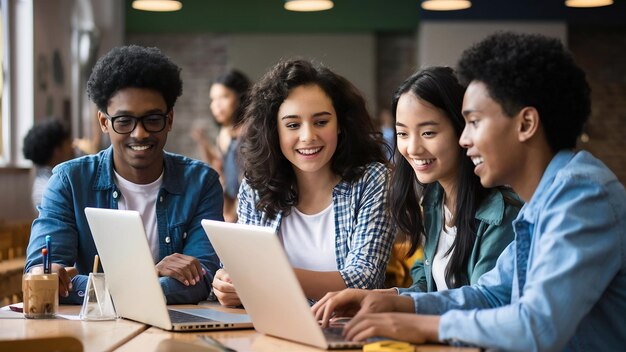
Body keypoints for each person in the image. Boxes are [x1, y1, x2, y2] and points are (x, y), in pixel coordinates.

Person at [312, 32, 626, 351]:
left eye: (474, 122)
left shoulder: (582, 194)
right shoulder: (545, 199)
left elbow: (537, 325)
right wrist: (393, 303)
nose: (465, 140)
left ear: (526, 123)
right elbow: (490, 295)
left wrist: (416, 325)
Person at [24, 45, 224, 305]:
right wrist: (149, 276)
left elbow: (199, 281)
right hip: (94, 331)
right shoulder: (68, 182)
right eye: (124, 121)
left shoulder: (201, 183)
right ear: (104, 122)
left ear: (170, 119)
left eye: (153, 119)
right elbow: (44, 279)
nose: (139, 133)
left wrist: (89, 285)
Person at [212, 59, 395, 306]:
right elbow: (239, 269)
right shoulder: (256, 188)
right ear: (274, 130)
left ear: (340, 124)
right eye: (293, 125)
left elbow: (364, 279)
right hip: (271, 329)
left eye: (321, 122)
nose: (308, 136)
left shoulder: (372, 180)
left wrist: (263, 277)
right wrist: (225, 282)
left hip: (345, 332)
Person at [381, 67, 521, 294]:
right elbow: (426, 277)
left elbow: (483, 303)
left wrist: (400, 304)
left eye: (428, 133)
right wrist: (389, 297)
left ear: (462, 131)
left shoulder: (502, 215)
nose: (413, 148)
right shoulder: (434, 198)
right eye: (403, 134)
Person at [191, 70, 250, 223]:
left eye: (224, 96)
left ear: (240, 97)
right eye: (213, 99)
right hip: (233, 211)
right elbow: (218, 168)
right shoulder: (224, 134)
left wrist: (234, 214)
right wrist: (203, 143)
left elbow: (250, 180)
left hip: (248, 212)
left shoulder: (251, 132)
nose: (216, 105)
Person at [22, 119, 75, 210]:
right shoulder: (49, 187)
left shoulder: (44, 179)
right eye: (68, 143)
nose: (72, 147)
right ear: (57, 151)